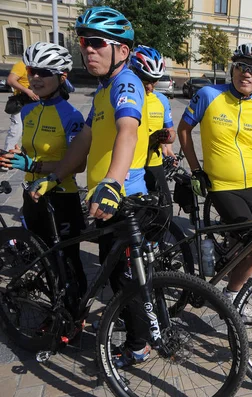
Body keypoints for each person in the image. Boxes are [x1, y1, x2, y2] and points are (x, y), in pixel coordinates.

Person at [28, 6, 151, 368]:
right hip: (105, 201)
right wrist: (54, 175)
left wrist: (112, 181)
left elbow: (128, 130)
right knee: (117, 276)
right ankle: (135, 340)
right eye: (84, 42)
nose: (88, 50)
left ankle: (139, 345)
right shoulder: (102, 92)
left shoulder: (126, 83)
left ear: (123, 51)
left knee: (126, 280)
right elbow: (83, 142)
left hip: (123, 198)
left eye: (98, 43)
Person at [177, 43, 252, 323]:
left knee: (243, 247)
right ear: (233, 69)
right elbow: (184, 130)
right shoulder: (209, 95)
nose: (246, 74)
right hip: (222, 186)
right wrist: (196, 169)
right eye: (241, 67)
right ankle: (232, 297)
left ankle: (223, 278)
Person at [0, 42, 86, 308]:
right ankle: (53, 313)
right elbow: (27, 150)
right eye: (32, 71)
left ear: (62, 78)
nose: (35, 78)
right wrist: (15, 153)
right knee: (43, 262)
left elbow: (78, 165)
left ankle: (73, 317)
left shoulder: (72, 115)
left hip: (61, 198)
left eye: (43, 73)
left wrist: (33, 165)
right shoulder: (28, 110)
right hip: (32, 196)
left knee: (67, 262)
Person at [129, 45, 176, 226]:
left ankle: (157, 247)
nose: (150, 86)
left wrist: (167, 143)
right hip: (131, 165)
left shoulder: (161, 100)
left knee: (165, 213)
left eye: (154, 81)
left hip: (153, 163)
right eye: (145, 80)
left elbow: (170, 132)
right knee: (136, 217)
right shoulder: (128, 96)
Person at [2, 59, 39, 171]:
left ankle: (28, 156)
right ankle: (5, 160)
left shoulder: (37, 66)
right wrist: (28, 91)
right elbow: (10, 80)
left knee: (33, 130)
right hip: (22, 102)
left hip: (34, 103)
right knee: (16, 130)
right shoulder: (21, 65)